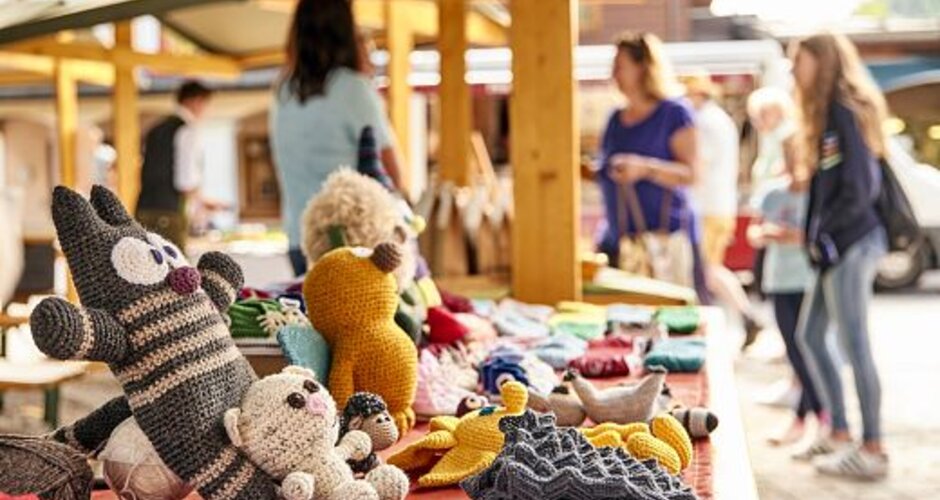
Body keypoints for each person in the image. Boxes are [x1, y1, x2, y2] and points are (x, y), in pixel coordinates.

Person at [790, 33, 889, 480]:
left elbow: (861, 188)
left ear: (823, 62)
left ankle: (873, 448)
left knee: (855, 344)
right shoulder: (826, 112)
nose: (794, 70)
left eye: (800, 61)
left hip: (852, 243)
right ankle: (840, 433)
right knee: (811, 336)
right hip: (834, 247)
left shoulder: (845, 111)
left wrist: (826, 234)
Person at [271, 0, 405, 276]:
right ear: (346, 30)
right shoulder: (352, 89)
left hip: (300, 239)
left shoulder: (283, 92)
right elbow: (394, 175)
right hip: (353, 241)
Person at [595, 31, 708, 302]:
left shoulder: (674, 114)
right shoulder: (615, 119)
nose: (613, 74)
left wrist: (644, 168)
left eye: (620, 66)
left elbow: (692, 174)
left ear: (643, 68)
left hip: (665, 243)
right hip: (622, 243)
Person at [747, 145, 824, 447]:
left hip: (808, 280)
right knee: (793, 349)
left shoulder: (818, 194)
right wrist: (768, 233)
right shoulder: (772, 193)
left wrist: (793, 236)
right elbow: (753, 233)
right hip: (778, 280)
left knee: (809, 350)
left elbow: (819, 236)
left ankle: (811, 417)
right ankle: (812, 417)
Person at [682, 73, 764, 343]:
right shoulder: (717, 119)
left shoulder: (705, 122)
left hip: (708, 206)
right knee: (710, 270)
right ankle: (746, 316)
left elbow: (697, 165)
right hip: (716, 204)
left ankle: (744, 316)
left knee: (705, 270)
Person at [136, 80, 221, 249]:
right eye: (205, 104)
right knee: (175, 264)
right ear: (195, 101)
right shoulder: (187, 130)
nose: (206, 110)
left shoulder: (156, 129)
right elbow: (185, 181)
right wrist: (203, 201)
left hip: (144, 209)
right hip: (169, 212)